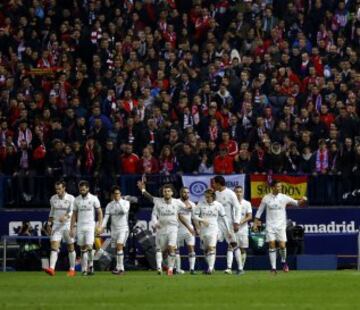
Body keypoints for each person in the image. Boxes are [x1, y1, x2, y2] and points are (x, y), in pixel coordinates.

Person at [137, 180, 194, 276]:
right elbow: (152, 207)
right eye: (165, 191)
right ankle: (159, 268)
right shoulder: (158, 202)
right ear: (162, 193)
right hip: (161, 229)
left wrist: (190, 208)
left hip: (173, 229)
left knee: (172, 248)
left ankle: (171, 269)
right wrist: (143, 190)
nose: (167, 192)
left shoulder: (177, 202)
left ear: (172, 192)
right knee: (159, 250)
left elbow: (187, 208)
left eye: (168, 191)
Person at [254, 180, 307, 274]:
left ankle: (283, 262)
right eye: (278, 186)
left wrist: (302, 201)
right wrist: (255, 222)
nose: (279, 188)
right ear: (273, 187)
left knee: (282, 245)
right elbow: (259, 211)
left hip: (281, 226)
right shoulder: (266, 198)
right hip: (270, 226)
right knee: (271, 244)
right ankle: (273, 268)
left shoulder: (284, 197)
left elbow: (296, 203)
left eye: (280, 186)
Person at [193, 189, 230, 274]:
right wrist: (202, 220)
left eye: (208, 197)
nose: (207, 198)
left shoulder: (218, 205)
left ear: (213, 196)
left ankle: (210, 268)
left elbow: (224, 217)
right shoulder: (201, 204)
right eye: (206, 197)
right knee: (206, 250)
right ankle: (210, 267)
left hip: (214, 229)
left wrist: (228, 230)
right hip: (203, 230)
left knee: (212, 247)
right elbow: (194, 216)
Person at [212, 175, 244, 275]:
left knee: (233, 244)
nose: (213, 185)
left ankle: (240, 268)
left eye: (214, 183)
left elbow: (238, 207)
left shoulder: (230, 194)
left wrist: (237, 222)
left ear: (218, 183)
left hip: (228, 224)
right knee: (211, 243)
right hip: (216, 224)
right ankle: (210, 268)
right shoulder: (215, 194)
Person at [70, 180, 103, 276]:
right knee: (82, 248)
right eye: (80, 189)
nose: (82, 191)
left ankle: (91, 266)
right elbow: (74, 215)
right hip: (80, 226)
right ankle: (84, 269)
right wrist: (71, 228)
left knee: (89, 246)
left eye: (84, 189)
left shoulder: (93, 198)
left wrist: (99, 225)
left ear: (88, 189)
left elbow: (100, 212)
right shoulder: (76, 200)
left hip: (90, 226)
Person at [44, 180, 76, 277]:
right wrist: (49, 224)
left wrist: (65, 217)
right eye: (56, 189)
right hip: (57, 225)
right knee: (54, 246)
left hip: (68, 225)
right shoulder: (53, 198)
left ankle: (72, 269)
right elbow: (52, 212)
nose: (57, 191)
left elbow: (72, 212)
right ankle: (52, 269)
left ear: (64, 188)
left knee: (70, 247)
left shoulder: (71, 198)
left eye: (59, 189)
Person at [100, 186, 130, 275]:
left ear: (120, 194)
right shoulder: (109, 205)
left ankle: (121, 269)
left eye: (118, 193)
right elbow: (106, 217)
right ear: (112, 195)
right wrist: (102, 227)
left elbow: (124, 211)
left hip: (123, 229)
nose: (116, 195)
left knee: (119, 246)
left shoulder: (126, 203)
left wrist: (118, 201)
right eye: (115, 194)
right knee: (117, 249)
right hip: (114, 230)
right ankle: (118, 267)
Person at [175, 187, 197, 275]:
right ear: (180, 193)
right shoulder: (176, 202)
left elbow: (194, 217)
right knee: (175, 249)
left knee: (191, 248)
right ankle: (177, 269)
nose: (186, 194)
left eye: (187, 193)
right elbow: (179, 215)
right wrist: (189, 227)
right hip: (177, 229)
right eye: (184, 192)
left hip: (189, 230)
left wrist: (197, 227)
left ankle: (192, 269)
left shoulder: (192, 204)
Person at [233, 186, 252, 267]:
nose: (238, 193)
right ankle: (234, 267)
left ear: (243, 193)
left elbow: (250, 216)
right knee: (233, 248)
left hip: (243, 230)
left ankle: (241, 267)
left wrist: (240, 222)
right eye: (237, 192)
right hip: (233, 230)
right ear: (234, 193)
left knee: (243, 249)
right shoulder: (231, 203)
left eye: (240, 192)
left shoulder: (247, 203)